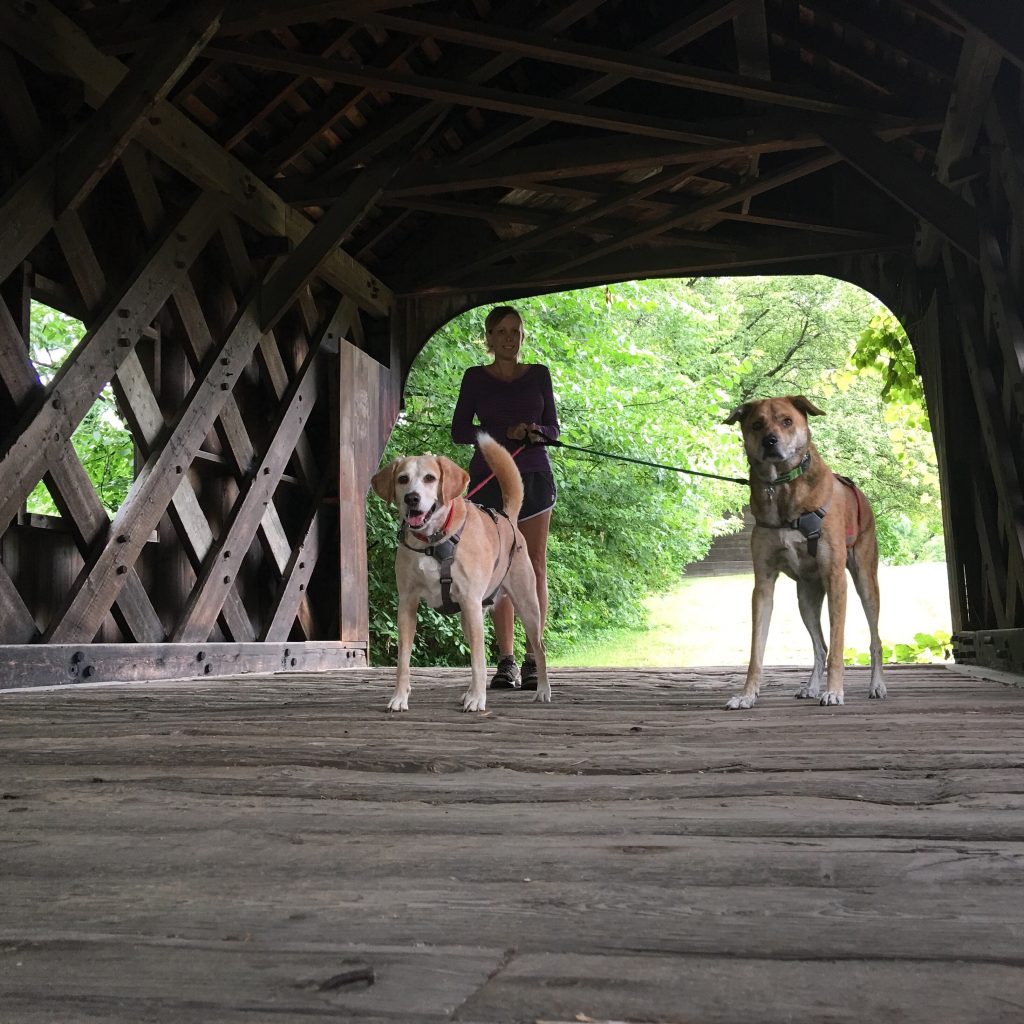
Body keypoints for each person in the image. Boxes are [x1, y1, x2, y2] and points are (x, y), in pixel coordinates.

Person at [451, 305, 560, 690]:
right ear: (489, 338)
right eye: (501, 331)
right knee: (497, 566)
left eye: (515, 331)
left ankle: (534, 658)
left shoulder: (539, 375)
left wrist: (534, 430)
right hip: (488, 478)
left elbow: (554, 429)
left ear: (522, 337)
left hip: (532, 474)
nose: (509, 338)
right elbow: (459, 431)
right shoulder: (475, 378)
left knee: (533, 562)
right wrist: (502, 430)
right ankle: (506, 661)